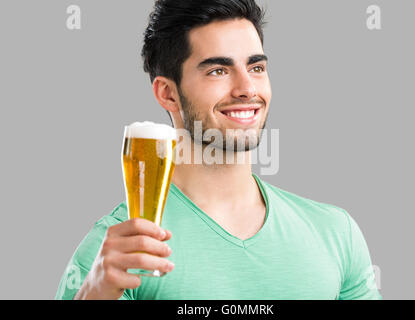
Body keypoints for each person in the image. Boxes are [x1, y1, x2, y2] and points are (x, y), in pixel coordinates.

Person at [56, 0, 382, 300]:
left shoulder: (336, 233)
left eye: (256, 67)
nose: (246, 89)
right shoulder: (118, 253)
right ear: (168, 94)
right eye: (218, 71)